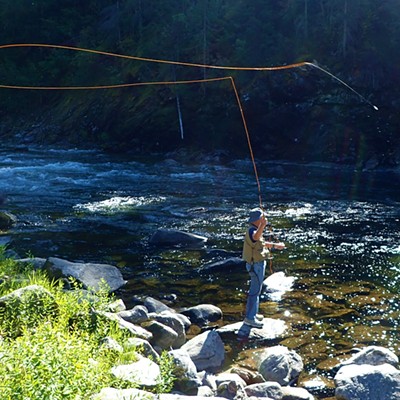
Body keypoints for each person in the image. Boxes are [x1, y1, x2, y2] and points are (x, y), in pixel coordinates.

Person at [242, 207, 285, 328]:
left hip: (258, 264)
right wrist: (263, 225)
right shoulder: (252, 231)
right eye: (262, 217)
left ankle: (253, 314)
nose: (264, 219)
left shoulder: (254, 229)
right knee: (254, 292)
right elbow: (255, 237)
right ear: (257, 220)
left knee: (257, 290)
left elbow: (261, 242)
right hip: (255, 265)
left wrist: (276, 245)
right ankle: (249, 318)